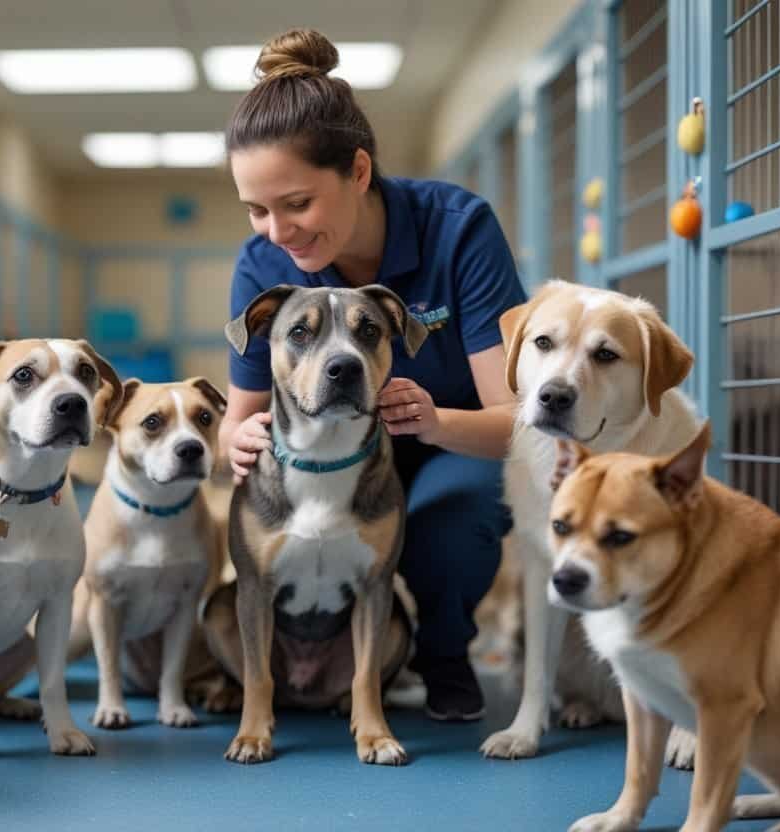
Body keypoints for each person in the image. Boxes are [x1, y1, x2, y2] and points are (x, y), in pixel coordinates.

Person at [218, 28, 526, 721]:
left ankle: (443, 656)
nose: (278, 232)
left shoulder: (458, 229)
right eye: (257, 210)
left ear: (358, 172)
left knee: (456, 517)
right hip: (322, 455)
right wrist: (231, 443)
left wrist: (437, 422)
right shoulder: (261, 266)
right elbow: (237, 420)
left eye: (297, 203)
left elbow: (518, 421)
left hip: (450, 442)